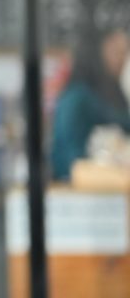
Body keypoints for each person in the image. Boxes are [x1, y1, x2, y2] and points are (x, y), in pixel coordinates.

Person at [51, 25, 130, 181]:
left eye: (125, 53)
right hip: (70, 187)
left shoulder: (103, 91)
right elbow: (113, 117)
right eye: (116, 52)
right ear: (97, 53)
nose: (122, 60)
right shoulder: (78, 97)